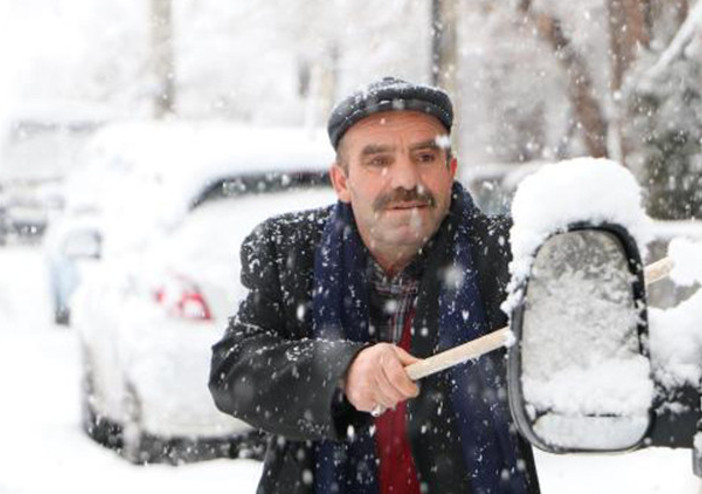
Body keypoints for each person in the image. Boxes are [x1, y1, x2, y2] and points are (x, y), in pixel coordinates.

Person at [209, 77, 540, 494]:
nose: (405, 178)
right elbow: (232, 369)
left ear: (450, 169)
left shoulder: (510, 252)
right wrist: (343, 372)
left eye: (425, 156)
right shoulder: (287, 250)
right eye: (378, 160)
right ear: (342, 181)